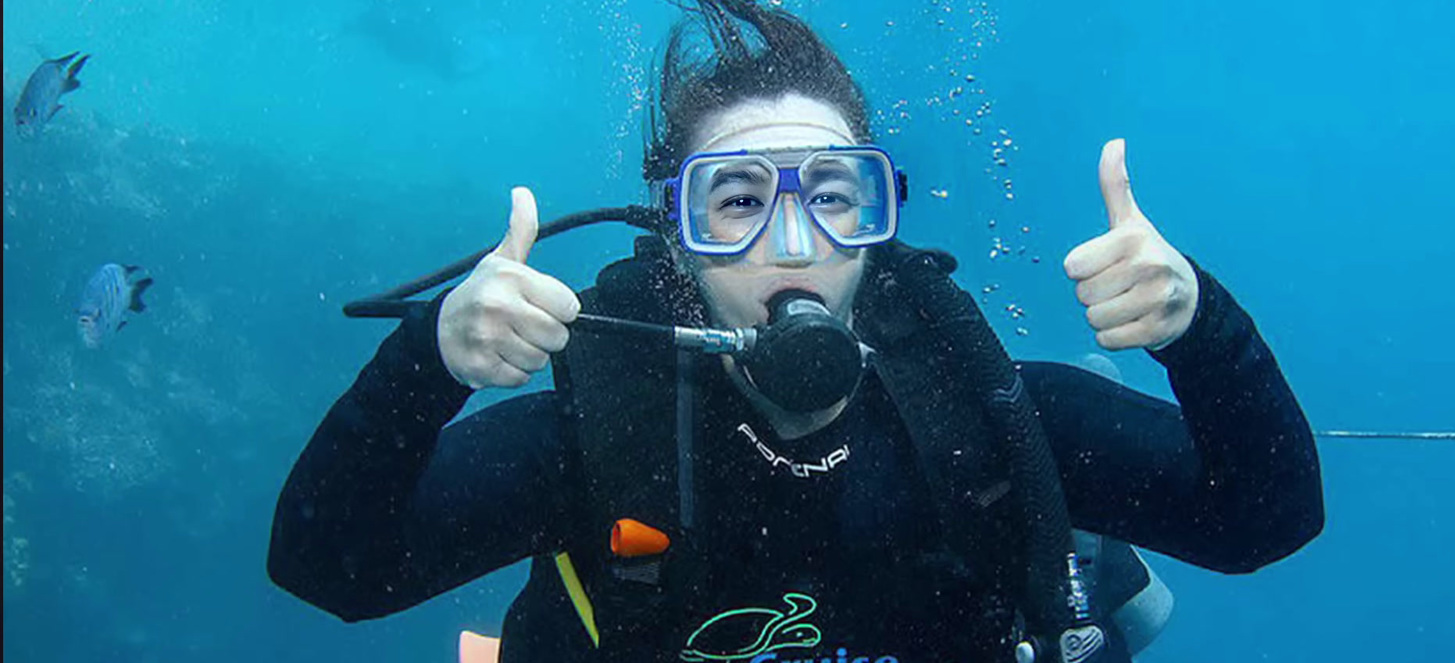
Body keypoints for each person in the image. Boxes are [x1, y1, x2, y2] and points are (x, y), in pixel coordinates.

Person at [267, 1, 1325, 661]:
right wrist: (428, 361)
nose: (793, 240)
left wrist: (1199, 327)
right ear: (677, 243)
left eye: (835, 195)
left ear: (879, 224)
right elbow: (333, 572)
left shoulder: (991, 415)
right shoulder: (598, 444)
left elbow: (1262, 523)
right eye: (734, 202)